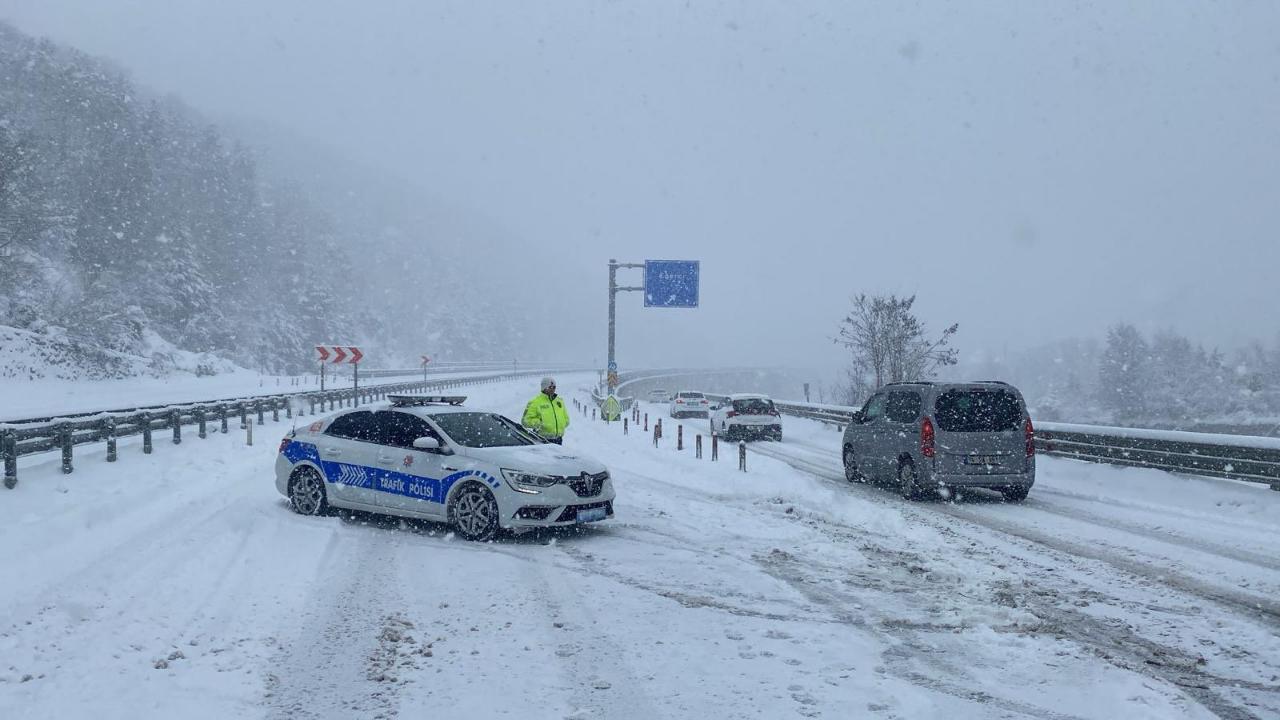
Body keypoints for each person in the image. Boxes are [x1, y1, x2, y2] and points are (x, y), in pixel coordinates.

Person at [522, 376, 569, 444]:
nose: (552, 389)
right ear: (544, 388)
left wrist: (564, 423)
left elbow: (566, 418)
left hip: (558, 439)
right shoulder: (534, 402)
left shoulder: (559, 401)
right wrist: (539, 423)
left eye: (554, 387)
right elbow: (525, 421)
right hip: (543, 440)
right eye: (550, 387)